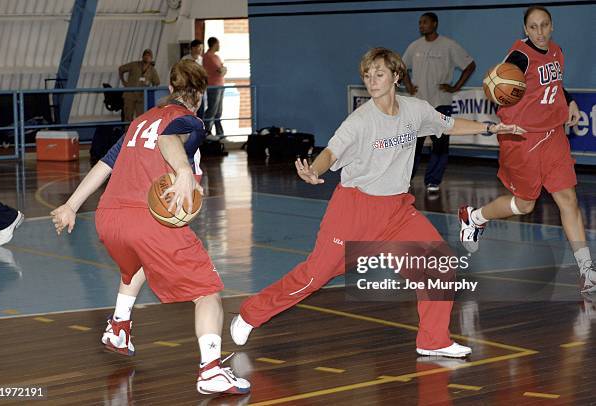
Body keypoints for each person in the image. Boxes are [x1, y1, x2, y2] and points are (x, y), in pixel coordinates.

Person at [230, 47, 524, 357]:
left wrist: (491, 128)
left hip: (396, 213)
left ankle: (433, 340)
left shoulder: (416, 110)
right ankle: (251, 314)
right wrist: (314, 170)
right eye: (367, 75)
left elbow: (449, 125)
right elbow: (330, 153)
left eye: (379, 74)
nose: (372, 80)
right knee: (313, 277)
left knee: (440, 265)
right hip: (354, 211)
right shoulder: (360, 122)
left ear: (396, 76)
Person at [51, 59, 250, 395]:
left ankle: (119, 326)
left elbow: (105, 163)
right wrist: (184, 172)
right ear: (200, 93)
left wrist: (71, 205)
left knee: (140, 261)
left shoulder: (140, 121)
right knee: (207, 292)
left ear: (170, 88)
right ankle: (211, 370)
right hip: (148, 219)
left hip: (110, 217)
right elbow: (168, 140)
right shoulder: (188, 120)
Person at [458, 6, 595, 296]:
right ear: (525, 30)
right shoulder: (519, 55)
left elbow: (555, 85)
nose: (540, 32)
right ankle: (475, 217)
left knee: (568, 199)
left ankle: (587, 271)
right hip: (522, 139)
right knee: (525, 205)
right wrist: (497, 93)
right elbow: (497, 81)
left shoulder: (557, 51)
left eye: (544, 25)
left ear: (552, 26)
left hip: (553, 134)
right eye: (533, 27)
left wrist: (568, 100)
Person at [403, 12, 476, 193]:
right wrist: (409, 85)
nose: (421, 25)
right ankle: (404, 180)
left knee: (440, 145)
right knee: (413, 145)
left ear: (434, 24)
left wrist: (455, 87)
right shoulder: (414, 47)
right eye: (420, 22)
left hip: (441, 103)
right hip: (418, 105)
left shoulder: (449, 45)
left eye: (425, 22)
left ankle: (433, 181)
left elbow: (470, 65)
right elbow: (402, 68)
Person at [119, 49, 161, 121]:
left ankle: (139, 132)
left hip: (142, 97)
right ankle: (128, 132)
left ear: (151, 58)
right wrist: (123, 81)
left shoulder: (152, 70)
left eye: (149, 56)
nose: (147, 57)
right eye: (145, 55)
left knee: (141, 118)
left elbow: (157, 82)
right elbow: (121, 69)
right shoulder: (134, 65)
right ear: (142, 56)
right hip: (130, 95)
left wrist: (149, 88)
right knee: (128, 117)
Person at [202, 37, 227, 139]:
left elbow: (223, 70)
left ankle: (219, 133)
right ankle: (206, 132)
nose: (219, 46)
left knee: (218, 111)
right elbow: (221, 71)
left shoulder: (216, 57)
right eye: (218, 44)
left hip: (220, 85)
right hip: (213, 86)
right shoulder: (208, 57)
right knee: (212, 110)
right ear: (214, 44)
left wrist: (223, 69)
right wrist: (223, 69)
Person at [182, 40, 206, 119]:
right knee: (189, 111)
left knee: (201, 111)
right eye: (199, 48)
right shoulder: (185, 59)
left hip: (200, 90)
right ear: (193, 48)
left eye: (201, 48)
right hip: (189, 90)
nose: (200, 50)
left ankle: (200, 129)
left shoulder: (202, 60)